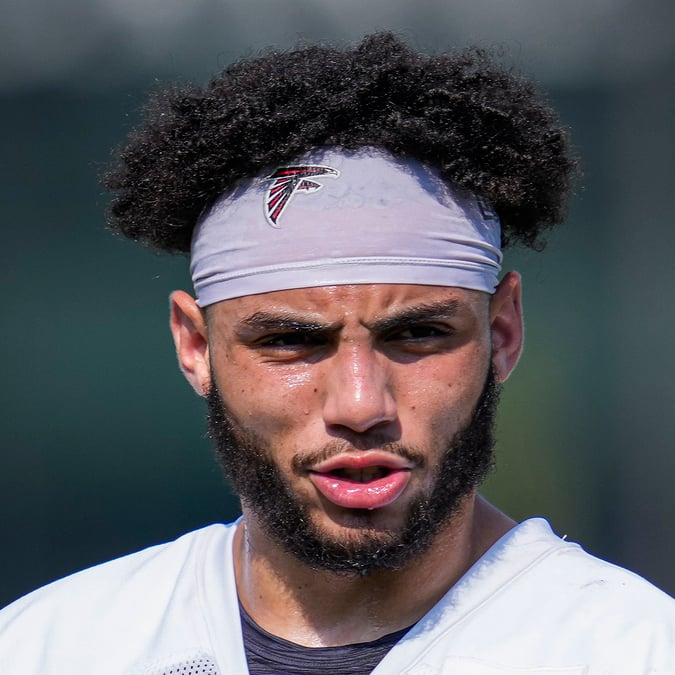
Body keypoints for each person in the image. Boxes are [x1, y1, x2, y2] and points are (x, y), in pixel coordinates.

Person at [0, 32, 672, 675]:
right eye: (290, 341)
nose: (359, 404)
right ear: (196, 346)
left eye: (417, 334)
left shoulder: (633, 651)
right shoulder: (48, 649)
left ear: (501, 333)